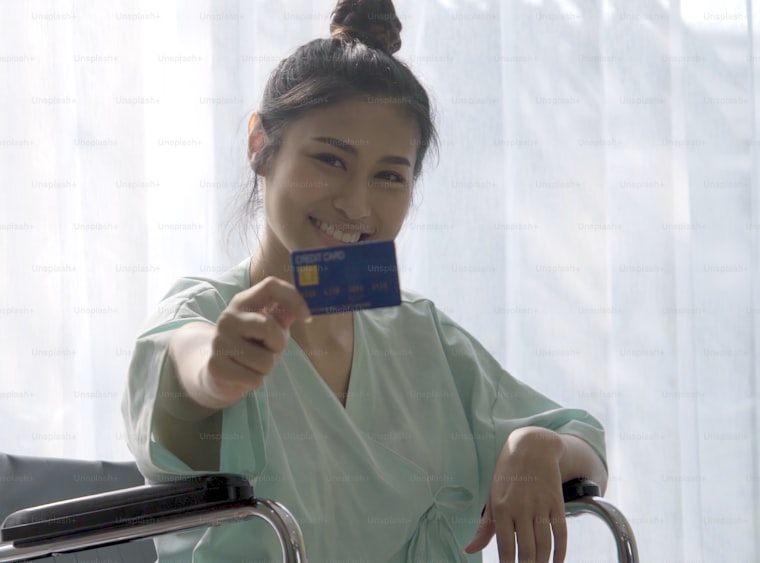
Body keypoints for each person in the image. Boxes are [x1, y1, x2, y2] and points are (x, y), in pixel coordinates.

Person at [122, 1, 609, 561]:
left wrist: (536, 446)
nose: (356, 205)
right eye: (330, 161)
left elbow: (586, 445)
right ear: (260, 145)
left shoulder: (421, 334)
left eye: (388, 176)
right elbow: (189, 374)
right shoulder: (200, 315)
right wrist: (217, 369)